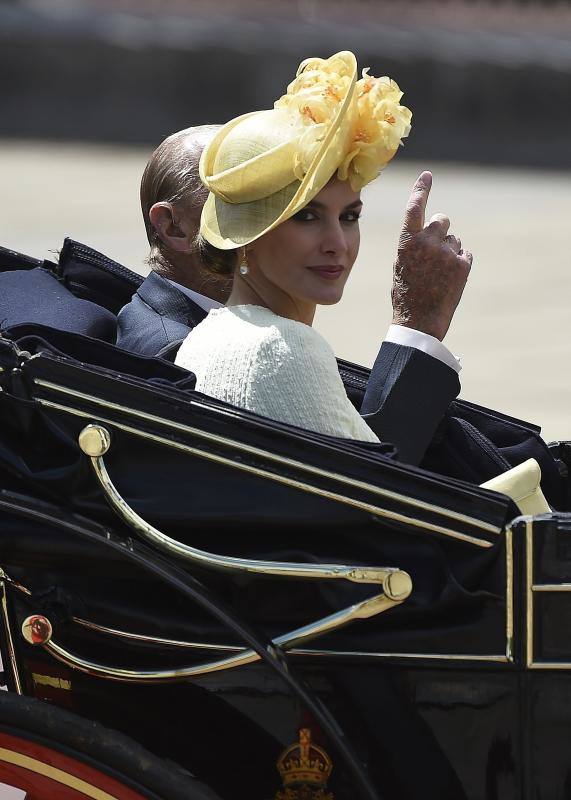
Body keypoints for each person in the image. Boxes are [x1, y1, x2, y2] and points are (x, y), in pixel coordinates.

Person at [174, 51, 471, 446]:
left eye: (349, 217)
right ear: (247, 235)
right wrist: (420, 324)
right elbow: (383, 494)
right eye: (307, 217)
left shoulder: (209, 333)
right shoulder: (280, 349)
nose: (337, 244)